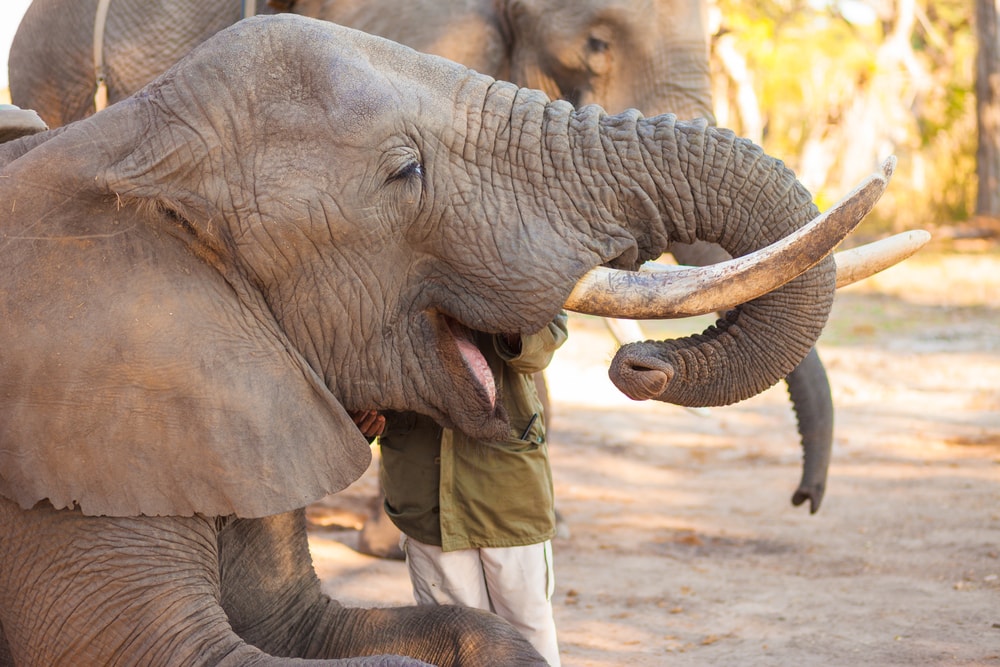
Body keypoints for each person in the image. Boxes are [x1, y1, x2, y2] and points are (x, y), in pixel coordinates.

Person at [378, 312, 568, 667]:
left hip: (508, 496)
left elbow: (541, 350)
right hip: (426, 498)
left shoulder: (521, 267)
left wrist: (511, 318)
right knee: (451, 639)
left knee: (527, 630)